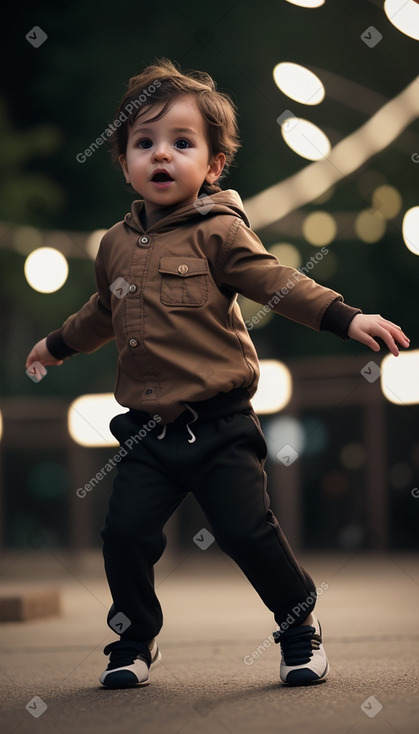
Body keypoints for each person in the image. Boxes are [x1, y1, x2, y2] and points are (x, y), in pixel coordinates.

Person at [26, 58, 409, 689]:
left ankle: (298, 626)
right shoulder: (114, 246)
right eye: (144, 143)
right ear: (122, 161)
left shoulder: (219, 233)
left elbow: (278, 284)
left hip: (221, 423)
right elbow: (103, 310)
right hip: (149, 432)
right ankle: (133, 638)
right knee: (124, 533)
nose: (162, 156)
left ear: (212, 164)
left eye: (182, 143)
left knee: (245, 531)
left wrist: (347, 317)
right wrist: (56, 345)